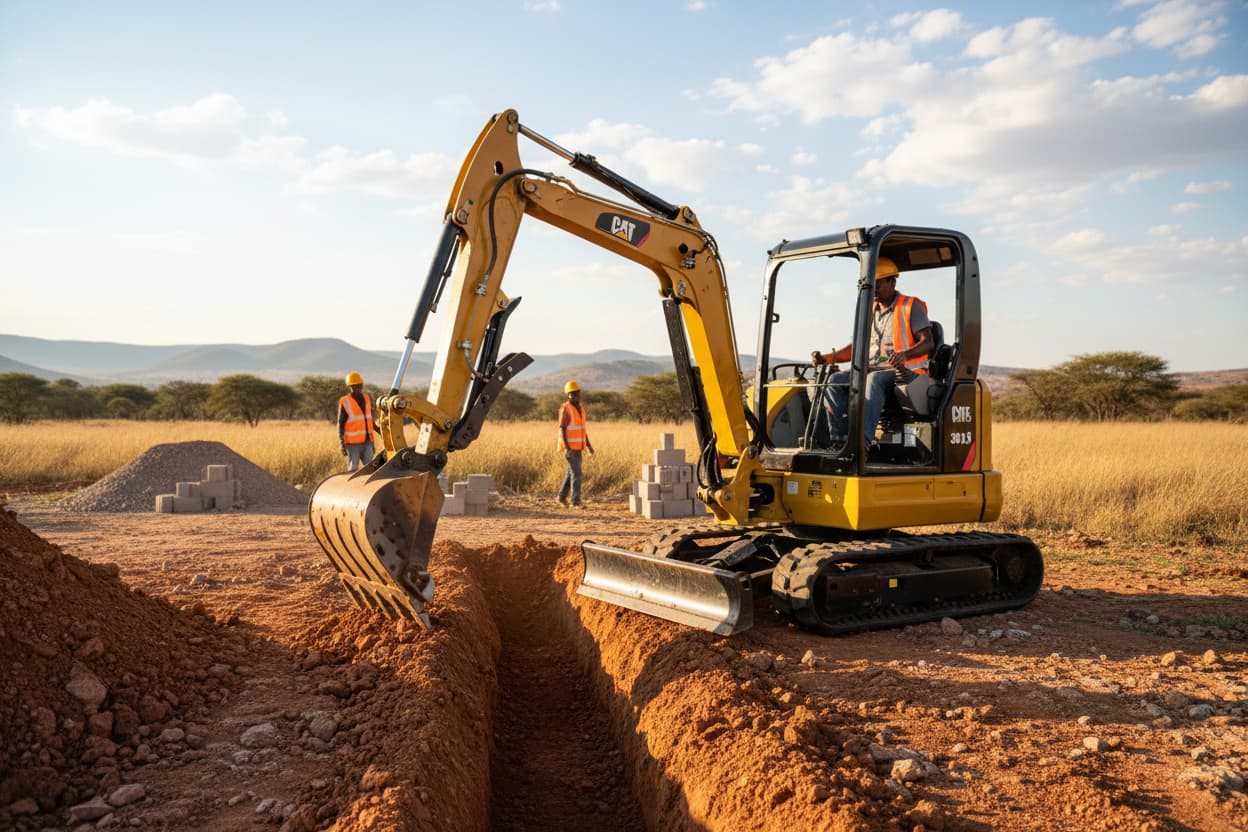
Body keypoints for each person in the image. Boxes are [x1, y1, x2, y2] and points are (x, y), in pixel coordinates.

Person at [812, 256, 933, 451]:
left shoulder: (910, 307)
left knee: (873, 380)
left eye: (877, 284)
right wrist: (826, 359)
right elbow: (854, 349)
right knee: (834, 380)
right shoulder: (869, 312)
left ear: (892, 282)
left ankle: (862, 445)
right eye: (870, 285)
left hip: (906, 373)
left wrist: (905, 354)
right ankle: (840, 441)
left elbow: (928, 342)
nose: (873, 289)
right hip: (871, 370)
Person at [556, 380, 594, 508]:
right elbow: (562, 429)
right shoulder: (565, 409)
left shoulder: (581, 408)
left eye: (576, 393)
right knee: (577, 474)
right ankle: (575, 502)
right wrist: (567, 448)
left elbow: (582, 429)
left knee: (570, 474)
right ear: (568, 395)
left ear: (579, 394)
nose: (575, 396)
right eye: (571, 394)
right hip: (570, 448)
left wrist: (589, 446)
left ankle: (561, 497)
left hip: (579, 447)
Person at [337, 371, 376, 472]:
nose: (357, 387)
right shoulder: (345, 401)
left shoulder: (367, 399)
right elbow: (340, 423)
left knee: (371, 470)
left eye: (359, 385)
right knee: (352, 471)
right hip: (352, 445)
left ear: (362, 385)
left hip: (368, 442)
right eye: (354, 386)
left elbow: (369, 419)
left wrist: (377, 435)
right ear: (350, 386)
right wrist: (342, 443)